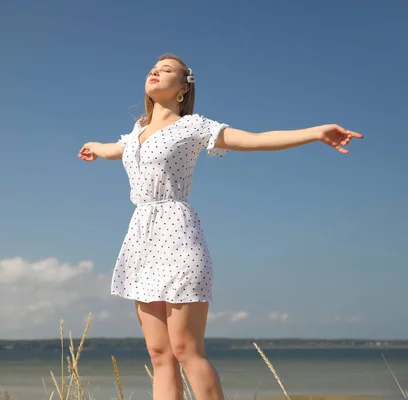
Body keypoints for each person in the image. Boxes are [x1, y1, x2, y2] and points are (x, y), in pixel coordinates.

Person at [77, 53, 363, 400]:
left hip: (178, 236)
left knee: (185, 349)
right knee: (159, 354)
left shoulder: (193, 127)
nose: (155, 72)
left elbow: (255, 140)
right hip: (140, 239)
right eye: (153, 69)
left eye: (166, 70)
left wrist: (315, 133)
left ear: (183, 88)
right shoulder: (135, 134)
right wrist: (93, 147)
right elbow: (112, 149)